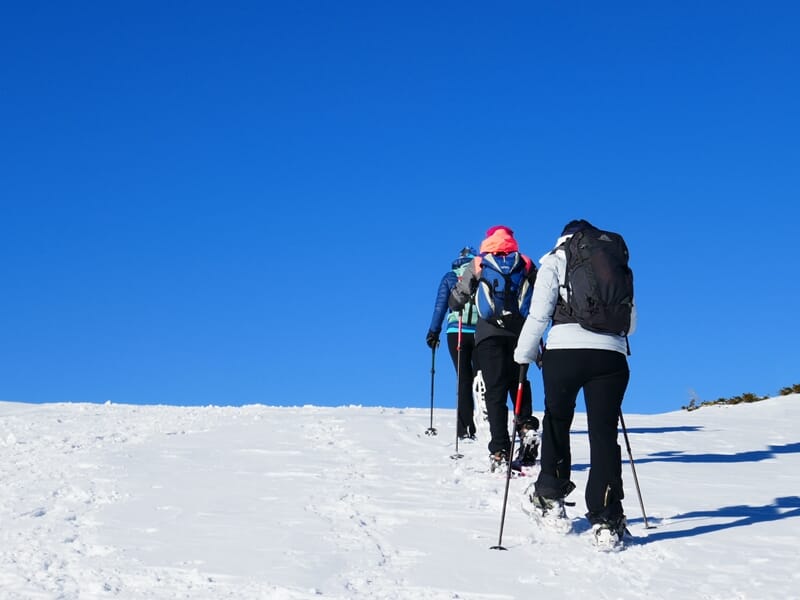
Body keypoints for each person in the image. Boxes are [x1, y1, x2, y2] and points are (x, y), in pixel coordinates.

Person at [514, 218, 637, 545]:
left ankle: (550, 498)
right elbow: (631, 323)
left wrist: (523, 355)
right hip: (611, 356)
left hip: (564, 352)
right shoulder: (615, 261)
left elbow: (539, 314)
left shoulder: (555, 258)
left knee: (557, 421)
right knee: (604, 433)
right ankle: (607, 518)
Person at [448, 225, 539, 469]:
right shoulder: (526, 263)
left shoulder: (479, 263)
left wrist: (455, 303)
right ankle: (527, 426)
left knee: (495, 391)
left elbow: (459, 297)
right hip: (520, 333)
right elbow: (540, 297)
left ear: (488, 240)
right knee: (519, 384)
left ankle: (499, 449)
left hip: (488, 334)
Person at [426, 246, 479, 439]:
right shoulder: (481, 272)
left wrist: (433, 332)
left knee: (463, 379)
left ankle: (464, 427)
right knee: (481, 378)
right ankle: (486, 421)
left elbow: (440, 306)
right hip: (480, 331)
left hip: (455, 331)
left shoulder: (449, 277)